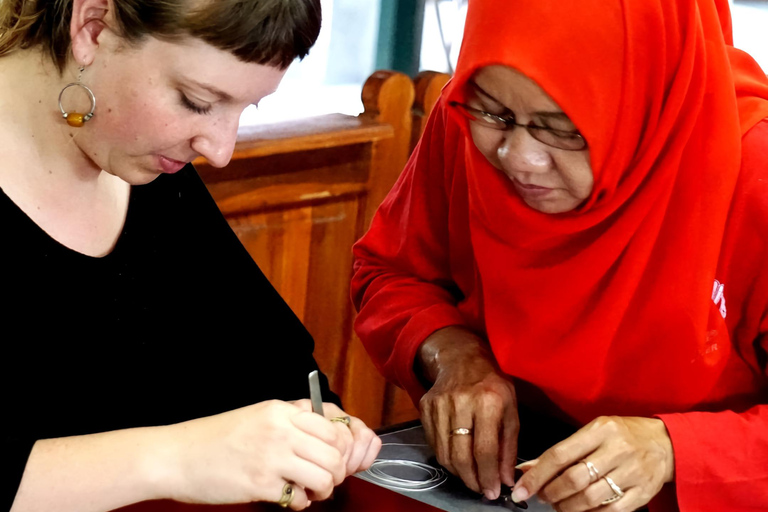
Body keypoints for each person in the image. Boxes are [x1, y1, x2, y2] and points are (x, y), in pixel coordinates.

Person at [351, 0, 768, 510]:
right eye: (497, 114)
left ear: (650, 99)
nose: (519, 158)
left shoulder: (753, 175)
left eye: (564, 127)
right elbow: (389, 270)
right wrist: (453, 353)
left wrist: (671, 449)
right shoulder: (462, 123)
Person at [0, 1, 381, 511]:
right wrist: (177, 459)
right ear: (92, 28)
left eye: (248, 109)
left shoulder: (154, 177)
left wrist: (321, 433)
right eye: (198, 101)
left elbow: (283, 372)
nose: (221, 149)